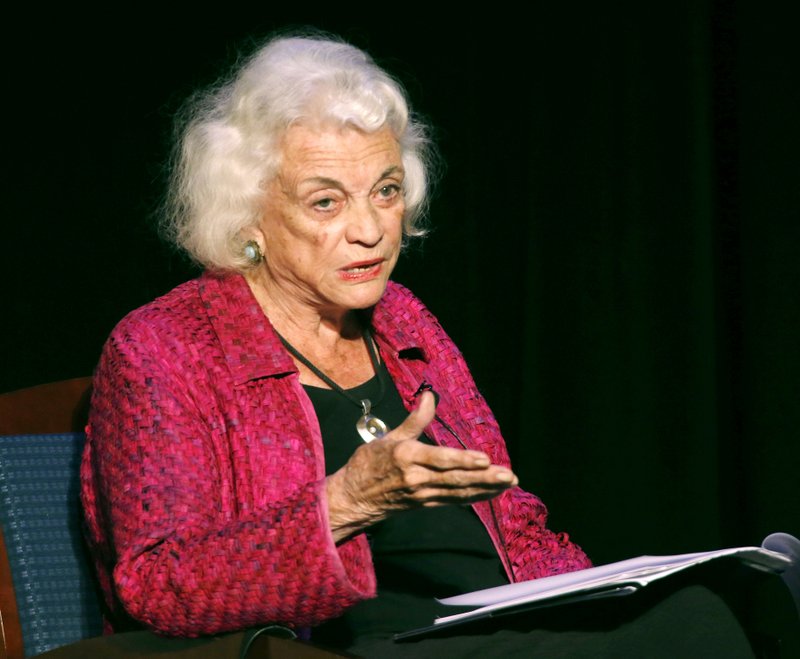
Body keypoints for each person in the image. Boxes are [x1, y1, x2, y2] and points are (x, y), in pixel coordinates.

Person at [80, 30, 763, 658]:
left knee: (703, 607)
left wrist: (606, 588)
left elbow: (511, 518)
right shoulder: (164, 347)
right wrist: (345, 502)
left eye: (385, 191)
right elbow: (156, 584)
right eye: (326, 202)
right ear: (246, 210)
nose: (371, 230)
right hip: (341, 645)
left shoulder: (405, 319)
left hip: (481, 624)